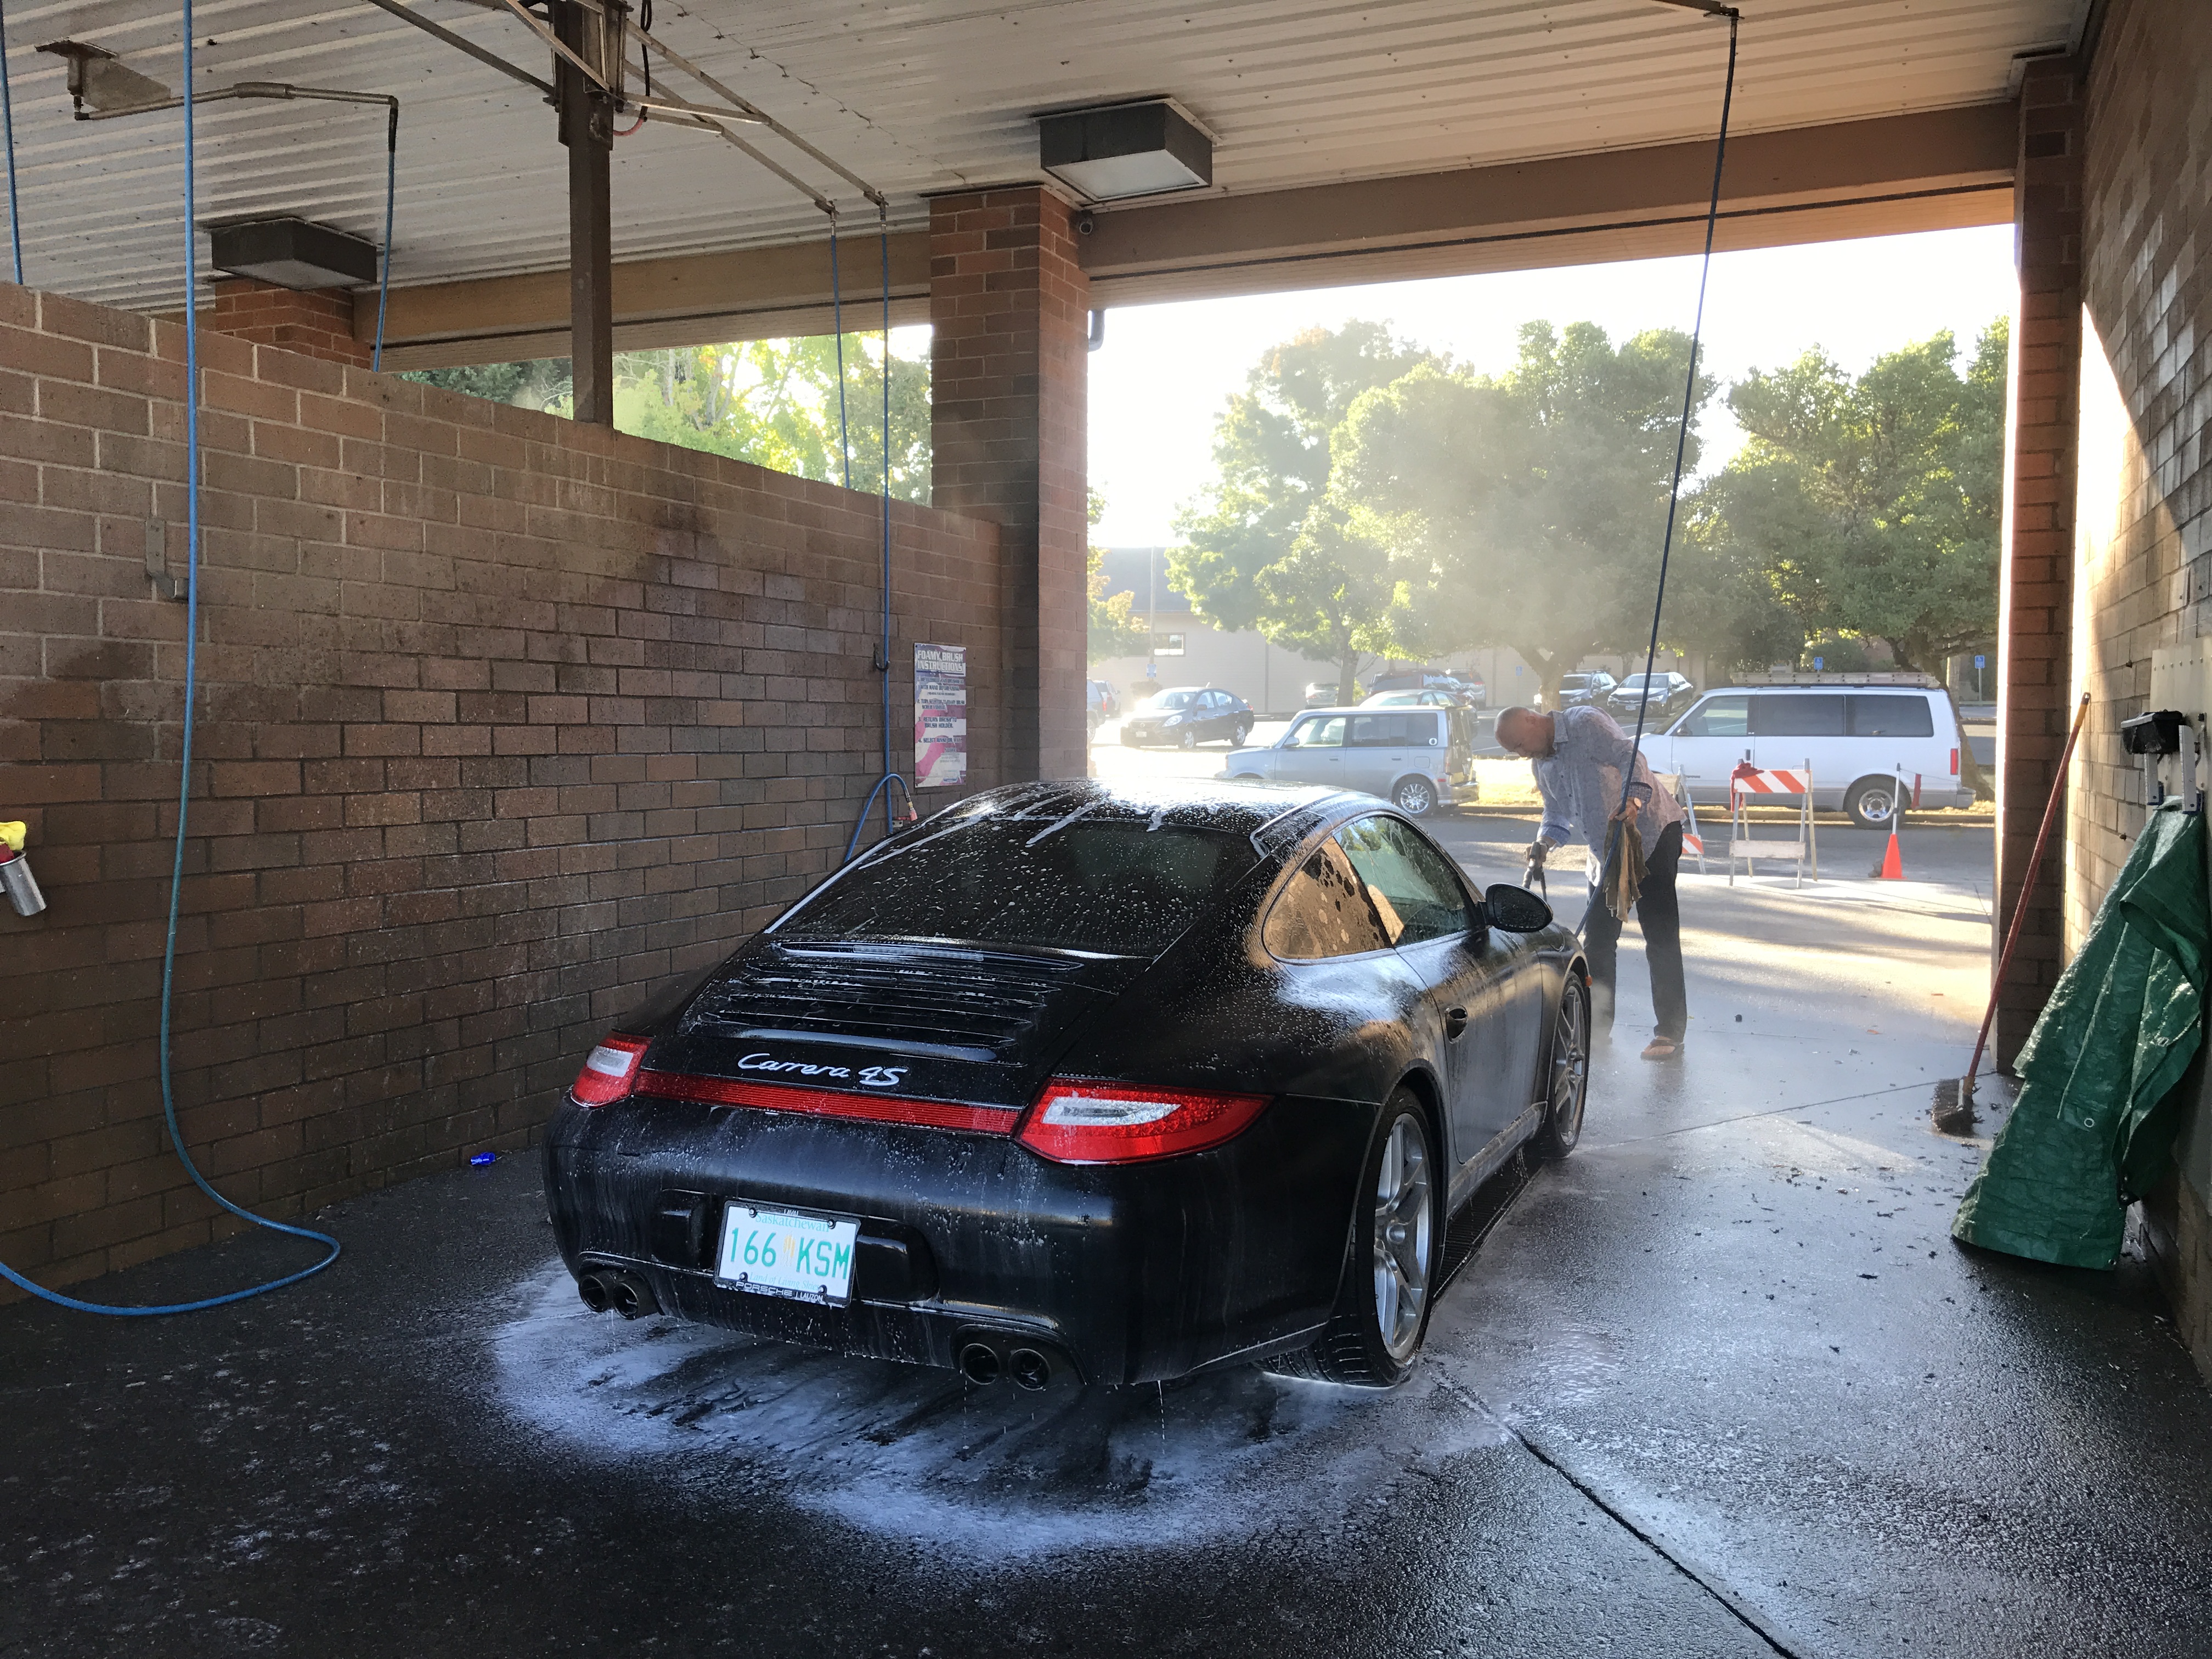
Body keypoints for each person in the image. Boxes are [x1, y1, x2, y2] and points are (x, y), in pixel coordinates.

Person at [1493, 703, 1688, 1060]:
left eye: (1520, 745)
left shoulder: (1586, 723)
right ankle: (1597, 1027)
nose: (1522, 754)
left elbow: (1630, 755)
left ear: (1533, 720)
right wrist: (1544, 843)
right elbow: (1556, 811)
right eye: (1515, 751)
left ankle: (1669, 1032)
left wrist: (1634, 799)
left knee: (1659, 935)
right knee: (1598, 940)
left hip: (1651, 835)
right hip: (1606, 852)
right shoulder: (1542, 764)